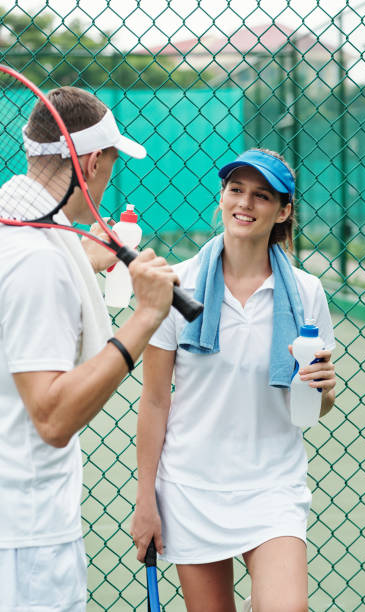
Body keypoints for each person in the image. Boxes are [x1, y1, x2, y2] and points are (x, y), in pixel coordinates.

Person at [130, 148, 336, 612]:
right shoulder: (175, 286)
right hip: (191, 487)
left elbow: (316, 406)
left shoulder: (307, 293)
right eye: (236, 190)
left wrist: (325, 390)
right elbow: (156, 401)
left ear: (283, 210)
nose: (245, 203)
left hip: (272, 486)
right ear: (221, 198)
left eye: (261, 195)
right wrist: (147, 500)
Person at [0, 86, 179, 611]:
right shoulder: (38, 260)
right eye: (110, 165)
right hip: (25, 541)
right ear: (93, 161)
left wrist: (82, 260)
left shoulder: (18, 228)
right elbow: (52, 418)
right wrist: (145, 316)